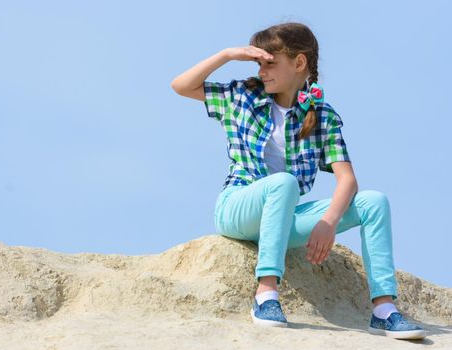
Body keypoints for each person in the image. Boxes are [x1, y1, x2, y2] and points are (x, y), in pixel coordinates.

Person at [171, 22, 427, 340]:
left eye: (270, 63)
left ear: (299, 63)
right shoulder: (242, 97)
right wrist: (227, 54)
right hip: (239, 207)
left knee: (374, 202)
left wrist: (328, 222)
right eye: (258, 64)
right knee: (285, 182)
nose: (262, 71)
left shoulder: (322, 115)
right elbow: (181, 85)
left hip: (286, 217)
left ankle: (384, 311)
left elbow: (348, 181)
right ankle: (266, 295)